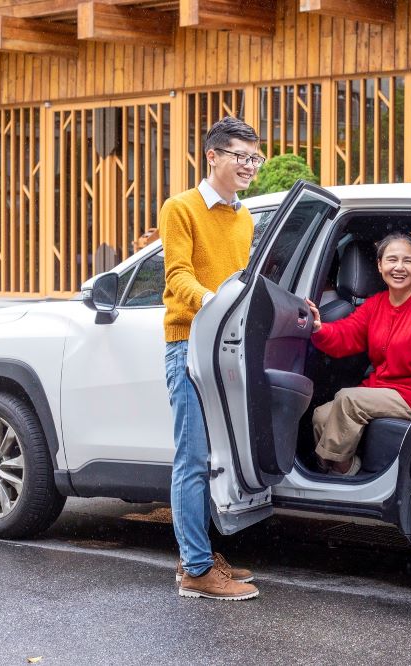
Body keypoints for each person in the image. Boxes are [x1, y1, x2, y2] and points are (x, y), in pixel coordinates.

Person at [160, 115, 263, 601]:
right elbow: (178, 276)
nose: (250, 166)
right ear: (212, 156)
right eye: (241, 156)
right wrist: (215, 306)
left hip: (226, 347)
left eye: (255, 158)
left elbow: (242, 282)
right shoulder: (180, 208)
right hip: (188, 345)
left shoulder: (244, 218)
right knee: (193, 458)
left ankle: (196, 555)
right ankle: (196, 571)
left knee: (219, 458)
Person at [304, 232, 411, 476]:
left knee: (348, 398)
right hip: (381, 388)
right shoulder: (376, 304)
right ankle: (346, 471)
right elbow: (346, 334)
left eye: (408, 261)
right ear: (379, 265)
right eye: (391, 259)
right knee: (321, 415)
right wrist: (319, 329)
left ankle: (333, 470)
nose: (399, 267)